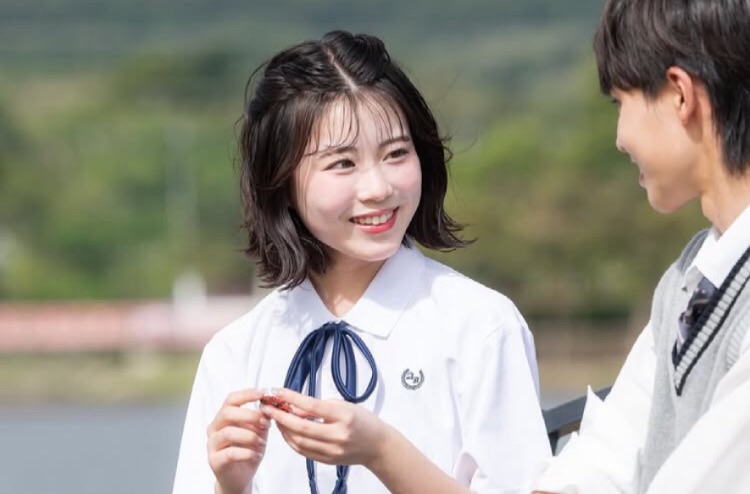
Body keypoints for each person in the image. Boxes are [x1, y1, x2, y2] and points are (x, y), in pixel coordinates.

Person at [172, 30, 550, 494]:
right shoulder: (236, 351)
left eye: (396, 154)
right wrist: (229, 486)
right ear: (280, 182)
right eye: (343, 164)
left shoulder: (481, 326)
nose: (378, 188)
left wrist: (383, 452)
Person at [533, 0, 750, 493]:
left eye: (620, 103)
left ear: (679, 94)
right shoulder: (691, 279)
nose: (619, 138)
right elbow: (606, 454)